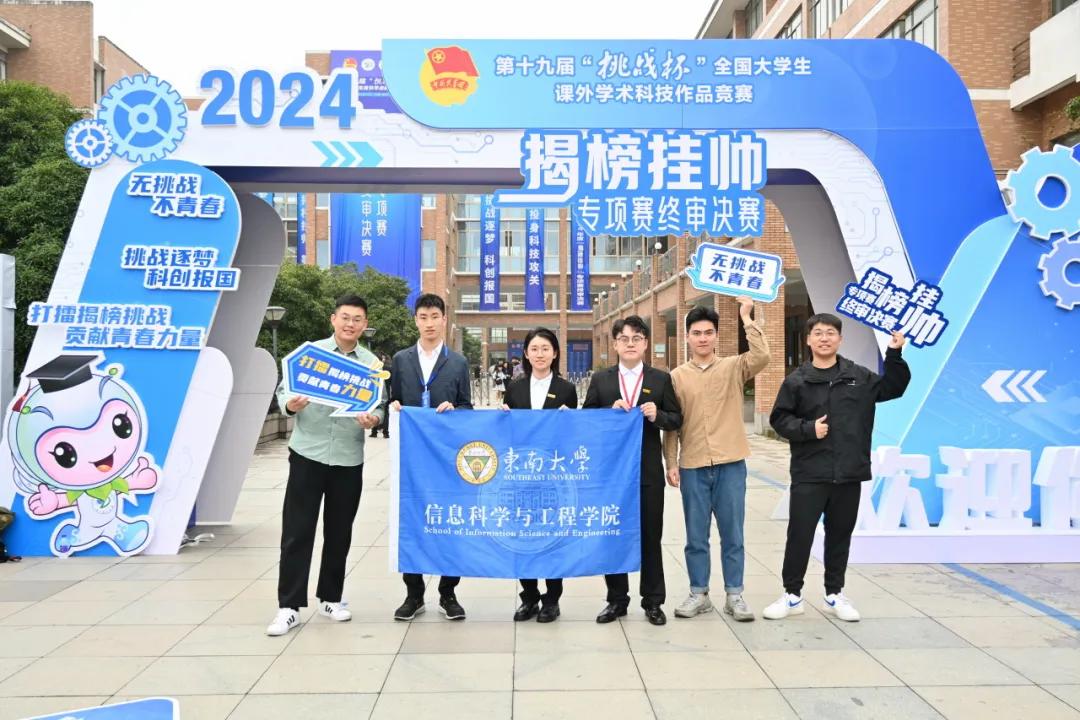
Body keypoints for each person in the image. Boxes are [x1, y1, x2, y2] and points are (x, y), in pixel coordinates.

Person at [765, 314, 910, 622]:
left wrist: (895, 354)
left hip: (848, 473)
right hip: (809, 473)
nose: (824, 338)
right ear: (808, 340)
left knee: (839, 536)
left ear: (840, 339)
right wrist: (808, 430)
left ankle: (834, 593)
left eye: (830, 333)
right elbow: (780, 419)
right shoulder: (797, 381)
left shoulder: (858, 377)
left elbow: (894, 388)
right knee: (800, 535)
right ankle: (792, 595)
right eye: (818, 333)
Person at [267, 294, 384, 637]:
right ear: (333, 319)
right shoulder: (311, 355)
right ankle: (288, 606)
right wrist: (290, 405)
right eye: (345, 317)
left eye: (357, 319)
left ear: (364, 324)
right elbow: (283, 393)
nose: (350, 324)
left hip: (348, 457)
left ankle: (330, 598)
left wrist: (374, 419)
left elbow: (379, 405)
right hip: (308, 452)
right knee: (297, 531)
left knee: (339, 532)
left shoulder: (371, 364)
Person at [664, 297, 769, 622]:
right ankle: (699, 594)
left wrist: (746, 317)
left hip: (731, 463)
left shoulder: (734, 367)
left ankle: (735, 595)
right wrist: (671, 462)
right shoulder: (676, 377)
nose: (703, 338)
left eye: (708, 332)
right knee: (696, 537)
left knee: (733, 534)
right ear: (687, 337)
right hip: (693, 465)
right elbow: (672, 425)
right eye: (696, 333)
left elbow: (762, 356)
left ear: (716, 336)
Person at [583, 315, 682, 626]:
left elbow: (676, 418)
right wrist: (607, 412)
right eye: (624, 339)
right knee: (613, 535)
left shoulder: (660, 379)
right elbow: (585, 420)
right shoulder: (601, 380)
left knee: (651, 537)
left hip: (647, 473)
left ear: (646, 344)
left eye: (636, 338)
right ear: (615, 344)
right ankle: (617, 600)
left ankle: (653, 601)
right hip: (611, 475)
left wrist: (658, 415)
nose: (630, 344)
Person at [389, 293, 473, 621]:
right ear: (416, 321)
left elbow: (467, 407)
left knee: (450, 519)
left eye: (434, 317)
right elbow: (392, 400)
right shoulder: (401, 360)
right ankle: (414, 594)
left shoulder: (458, 362)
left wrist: (456, 409)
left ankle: (448, 593)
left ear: (444, 320)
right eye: (423, 317)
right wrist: (393, 407)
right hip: (412, 457)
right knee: (412, 520)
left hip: (447, 458)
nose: (429, 323)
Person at [501, 327, 578, 624]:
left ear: (555, 353)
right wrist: (502, 417)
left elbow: (574, 434)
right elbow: (506, 432)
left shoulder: (566, 389)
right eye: (534, 349)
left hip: (553, 477)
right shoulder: (515, 387)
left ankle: (552, 599)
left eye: (546, 348)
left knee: (552, 538)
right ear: (526, 353)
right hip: (522, 476)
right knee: (524, 536)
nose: (540, 354)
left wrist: (570, 419)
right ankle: (529, 596)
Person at [370, 353, 392, 439]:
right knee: (386, 413)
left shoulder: (373, 368)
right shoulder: (389, 368)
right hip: (387, 393)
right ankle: (386, 432)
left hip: (375, 393)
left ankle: (374, 432)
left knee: (375, 411)